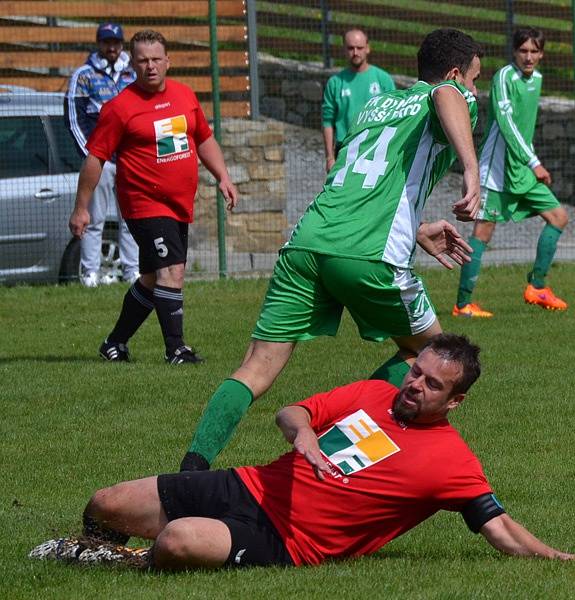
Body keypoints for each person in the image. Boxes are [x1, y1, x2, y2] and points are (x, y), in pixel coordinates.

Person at [178, 28, 483, 472]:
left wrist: (414, 227)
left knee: (255, 368)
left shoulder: (376, 104)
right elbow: (447, 98)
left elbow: (360, 181)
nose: (475, 90)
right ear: (456, 73)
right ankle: (334, 448)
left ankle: (191, 473)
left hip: (307, 243)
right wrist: (471, 171)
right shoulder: (448, 95)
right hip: (367, 253)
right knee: (436, 357)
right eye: (474, 79)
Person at [29, 334, 575, 570]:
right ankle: (89, 549)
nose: (414, 385)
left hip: (289, 540)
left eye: (431, 385)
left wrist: (561, 562)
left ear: (454, 402)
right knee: (105, 500)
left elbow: (498, 527)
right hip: (252, 485)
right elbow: (291, 412)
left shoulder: (452, 462)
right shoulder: (373, 394)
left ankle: (117, 566)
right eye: (416, 371)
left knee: (177, 541)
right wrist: (301, 433)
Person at [68, 29, 239, 364]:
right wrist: (81, 209)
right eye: (143, 61)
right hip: (144, 203)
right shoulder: (119, 108)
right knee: (172, 271)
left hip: (178, 204)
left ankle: (114, 344)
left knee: (151, 278)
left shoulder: (185, 96)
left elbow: (203, 138)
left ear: (168, 62)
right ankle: (176, 349)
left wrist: (223, 176)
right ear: (133, 64)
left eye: (156, 59)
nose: (150, 67)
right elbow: (95, 158)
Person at [453, 28, 570, 318]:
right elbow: (506, 125)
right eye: (523, 51)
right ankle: (463, 304)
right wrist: (535, 163)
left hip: (523, 168)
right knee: (482, 231)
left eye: (534, 51)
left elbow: (524, 127)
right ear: (514, 52)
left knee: (558, 217)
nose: (528, 57)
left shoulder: (538, 80)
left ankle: (537, 288)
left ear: (541, 54)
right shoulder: (504, 77)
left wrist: (530, 163)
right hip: (496, 170)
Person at [65, 22, 139, 287]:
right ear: (98, 44)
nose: (112, 48)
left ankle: (133, 272)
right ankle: (90, 274)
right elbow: (75, 119)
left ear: (122, 44)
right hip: (102, 162)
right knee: (94, 219)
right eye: (107, 42)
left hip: (132, 161)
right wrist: (94, 156)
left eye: (116, 43)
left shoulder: (133, 73)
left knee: (131, 218)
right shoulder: (84, 75)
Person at [322, 28, 395, 172]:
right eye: (350, 48)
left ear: (367, 48)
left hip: (376, 150)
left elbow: (396, 118)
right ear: (344, 49)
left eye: (359, 48)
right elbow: (327, 121)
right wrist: (330, 157)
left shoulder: (383, 80)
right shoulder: (335, 83)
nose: (355, 52)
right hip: (345, 150)